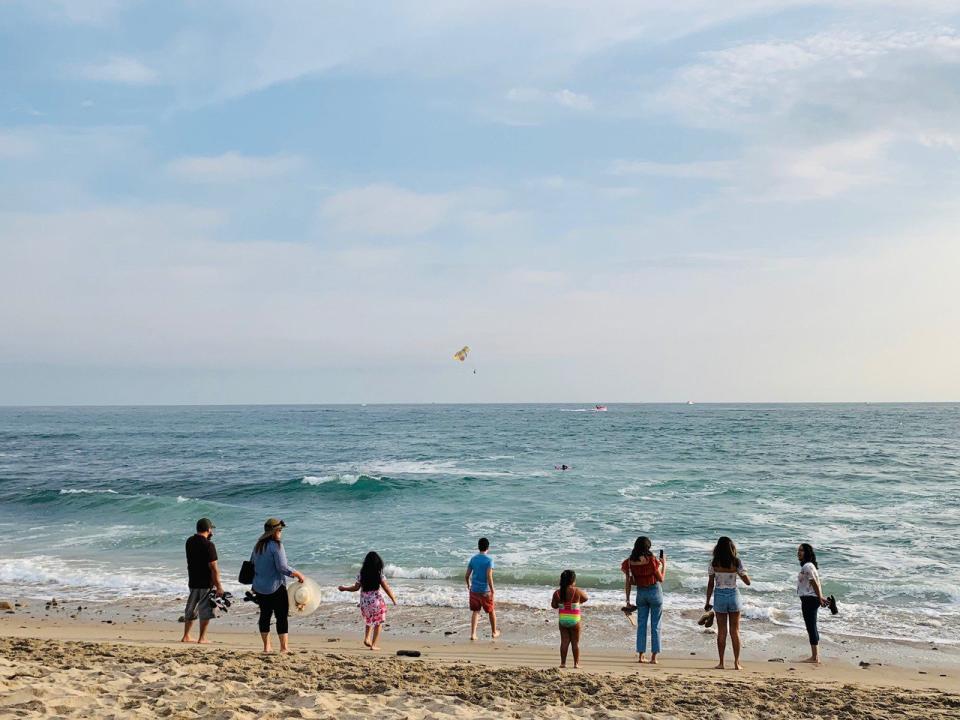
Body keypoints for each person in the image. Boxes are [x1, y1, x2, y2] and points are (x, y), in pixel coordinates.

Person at [250, 518, 305, 653]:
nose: (281, 533)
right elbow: (282, 567)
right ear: (275, 531)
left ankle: (266, 647)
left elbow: (252, 564)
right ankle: (284, 647)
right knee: (281, 616)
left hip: (260, 587)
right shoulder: (276, 546)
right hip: (275, 587)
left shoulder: (258, 546)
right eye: (280, 530)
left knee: (264, 616)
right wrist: (297, 574)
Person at [705, 536, 751, 670]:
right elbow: (748, 582)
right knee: (735, 631)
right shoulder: (736, 562)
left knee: (722, 632)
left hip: (719, 595)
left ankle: (721, 663)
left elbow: (710, 584)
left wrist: (707, 601)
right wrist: (742, 574)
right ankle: (736, 663)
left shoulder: (714, 563)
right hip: (733, 595)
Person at [337, 551, 397, 650]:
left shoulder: (362, 573)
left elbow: (356, 588)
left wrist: (344, 588)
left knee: (369, 621)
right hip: (376, 602)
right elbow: (386, 588)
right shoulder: (379, 574)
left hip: (364, 603)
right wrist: (393, 599)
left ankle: (367, 638)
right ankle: (374, 645)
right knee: (378, 623)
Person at [621, 536, 665, 663]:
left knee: (641, 625)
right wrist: (664, 563)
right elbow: (661, 578)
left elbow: (628, 582)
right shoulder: (651, 561)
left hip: (641, 593)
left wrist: (627, 600)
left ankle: (641, 656)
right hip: (654, 591)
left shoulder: (629, 562)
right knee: (656, 625)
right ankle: (654, 657)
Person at [181, 517, 224, 644]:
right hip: (206, 583)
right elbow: (214, 568)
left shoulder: (189, 541)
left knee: (191, 609)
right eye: (211, 529)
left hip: (193, 580)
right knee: (205, 610)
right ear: (208, 529)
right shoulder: (209, 545)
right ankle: (202, 638)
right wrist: (219, 586)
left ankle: (186, 636)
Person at [797, 543, 829, 663]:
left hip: (809, 599)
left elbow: (814, 582)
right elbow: (816, 583)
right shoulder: (809, 566)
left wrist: (820, 597)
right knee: (812, 626)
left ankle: (815, 657)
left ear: (807, 553)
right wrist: (820, 597)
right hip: (810, 598)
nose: (799, 553)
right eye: (798, 551)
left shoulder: (807, 566)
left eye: (801, 550)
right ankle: (815, 656)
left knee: (811, 626)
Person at [551, 569, 588, 668]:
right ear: (573, 581)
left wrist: (560, 603)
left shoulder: (557, 593)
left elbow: (554, 606)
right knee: (575, 643)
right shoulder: (577, 591)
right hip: (575, 620)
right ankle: (576, 664)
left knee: (564, 642)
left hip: (563, 620)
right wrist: (578, 601)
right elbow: (586, 598)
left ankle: (563, 663)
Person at [465, 537, 500, 640]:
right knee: (491, 611)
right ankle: (494, 632)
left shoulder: (473, 559)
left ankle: (473, 634)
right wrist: (492, 590)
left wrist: (468, 585)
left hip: (474, 590)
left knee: (476, 611)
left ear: (478, 547)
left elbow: (467, 575)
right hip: (485, 591)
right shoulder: (489, 560)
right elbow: (489, 577)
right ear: (487, 547)